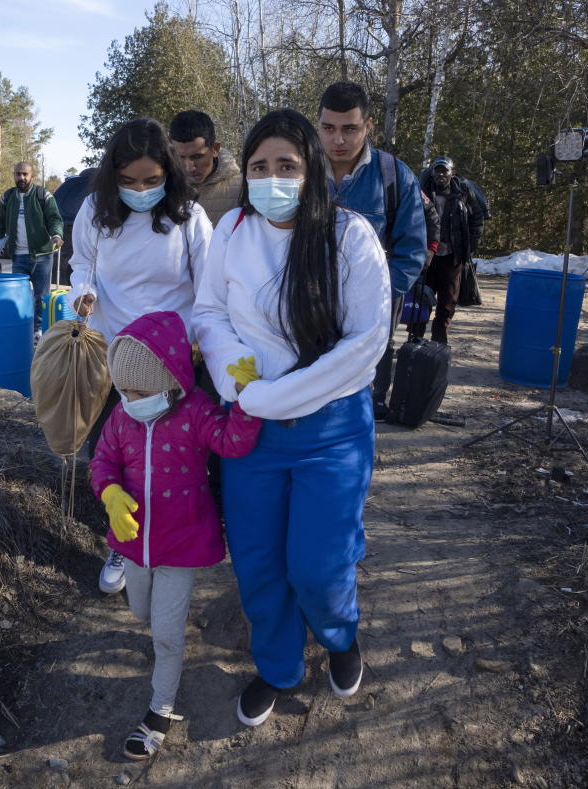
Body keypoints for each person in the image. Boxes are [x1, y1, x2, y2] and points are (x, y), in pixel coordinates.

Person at [193, 108, 391, 727]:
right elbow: (209, 314)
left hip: (330, 431)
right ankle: (278, 667)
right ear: (244, 171)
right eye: (259, 167)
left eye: (286, 166)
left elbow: (366, 340)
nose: (271, 177)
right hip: (250, 429)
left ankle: (338, 636)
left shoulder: (349, 235)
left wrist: (273, 399)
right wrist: (234, 377)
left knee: (318, 564)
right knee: (257, 561)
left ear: (310, 171)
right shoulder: (231, 231)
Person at [90, 310, 261, 759]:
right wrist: (109, 494)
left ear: (170, 380)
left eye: (141, 391)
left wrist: (245, 403)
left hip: (180, 546)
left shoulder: (196, 411)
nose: (131, 399)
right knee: (141, 614)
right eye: (124, 391)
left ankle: (159, 711)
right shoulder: (123, 418)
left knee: (166, 634)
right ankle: (161, 640)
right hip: (131, 545)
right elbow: (103, 460)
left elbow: (232, 443)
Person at [68, 118, 214, 596]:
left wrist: (196, 342)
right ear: (113, 176)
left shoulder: (189, 216)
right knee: (117, 452)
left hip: (176, 359)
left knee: (178, 458)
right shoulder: (94, 211)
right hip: (118, 355)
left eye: (152, 181)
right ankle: (122, 542)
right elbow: (80, 269)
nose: (141, 190)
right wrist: (83, 298)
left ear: (168, 173)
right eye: (129, 182)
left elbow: (209, 288)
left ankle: (179, 539)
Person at [316, 82, 427, 419]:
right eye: (328, 128)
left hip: (372, 309)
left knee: (360, 392)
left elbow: (411, 251)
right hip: (308, 305)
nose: (338, 140)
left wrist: (375, 297)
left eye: (349, 129)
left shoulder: (394, 176)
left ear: (368, 125)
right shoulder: (297, 171)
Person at [415, 155, 489, 345]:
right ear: (431, 173)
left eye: (444, 171)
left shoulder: (463, 193)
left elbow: (477, 218)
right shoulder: (421, 192)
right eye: (437, 170)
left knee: (448, 302)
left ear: (452, 173)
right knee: (421, 299)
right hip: (427, 256)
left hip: (452, 256)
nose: (440, 174)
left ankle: (439, 342)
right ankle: (414, 339)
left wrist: (470, 245)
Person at [0, 161, 65, 342]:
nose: (21, 177)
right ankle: (23, 329)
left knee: (41, 296)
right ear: (14, 175)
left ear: (32, 175)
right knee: (20, 297)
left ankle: (38, 331)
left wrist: (56, 235)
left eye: (25, 174)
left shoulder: (43, 195)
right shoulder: (7, 197)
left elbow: (55, 218)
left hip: (41, 256)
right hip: (18, 257)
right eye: (18, 174)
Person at [169, 110, 242, 226]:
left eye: (197, 157)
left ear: (215, 149)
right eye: (181, 157)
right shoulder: (163, 189)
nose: (189, 168)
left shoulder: (243, 189)